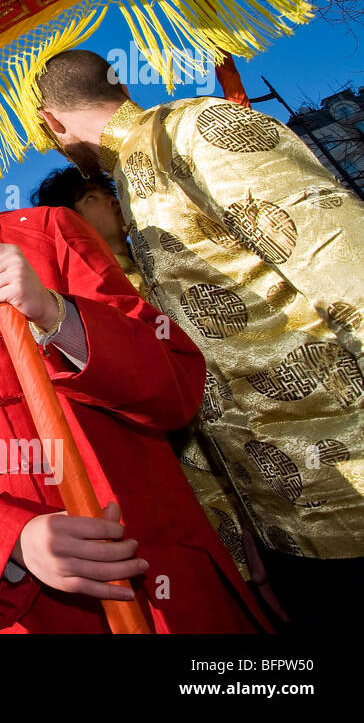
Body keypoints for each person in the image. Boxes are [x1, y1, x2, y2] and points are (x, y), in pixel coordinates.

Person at [0, 102, 265, 633]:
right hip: (19, 602)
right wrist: (9, 539)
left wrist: (56, 314)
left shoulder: (49, 231)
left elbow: (172, 387)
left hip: (145, 555)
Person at [32, 50, 364, 630]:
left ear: (50, 123)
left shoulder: (194, 130)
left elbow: (339, 257)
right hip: (293, 516)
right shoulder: (132, 182)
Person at [31, 165, 276, 598]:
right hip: (177, 469)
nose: (109, 203)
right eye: (89, 198)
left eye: (106, 195)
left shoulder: (170, 264)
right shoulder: (76, 304)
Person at [30, 167, 140, 293]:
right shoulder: (81, 296)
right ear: (70, 222)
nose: (113, 200)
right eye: (91, 198)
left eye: (108, 193)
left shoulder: (157, 259)